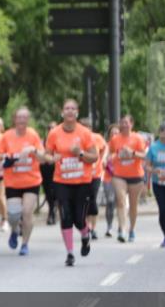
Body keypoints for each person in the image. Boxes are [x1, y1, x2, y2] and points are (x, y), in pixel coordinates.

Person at [45, 100, 98, 266]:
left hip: (82, 181)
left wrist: (80, 153)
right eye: (66, 108)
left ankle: (85, 234)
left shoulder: (85, 133)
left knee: (79, 219)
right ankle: (69, 253)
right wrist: (52, 159)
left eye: (73, 108)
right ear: (62, 112)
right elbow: (46, 155)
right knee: (66, 216)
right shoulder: (54, 133)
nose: (69, 111)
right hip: (61, 181)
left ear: (77, 113)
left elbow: (94, 157)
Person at [1, 106, 47, 256]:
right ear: (14, 119)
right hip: (12, 182)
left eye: (24, 117)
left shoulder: (33, 135)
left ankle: (25, 244)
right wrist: (14, 158)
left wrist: (33, 150)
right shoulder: (6, 136)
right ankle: (14, 230)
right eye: (19, 117)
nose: (21, 120)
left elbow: (43, 158)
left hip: (31, 181)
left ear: (28, 120)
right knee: (13, 216)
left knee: (27, 212)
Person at [109, 114, 148, 242]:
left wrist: (132, 153)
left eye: (126, 122)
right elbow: (110, 154)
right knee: (120, 200)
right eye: (122, 122)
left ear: (131, 124)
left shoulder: (137, 138)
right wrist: (117, 155)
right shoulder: (115, 139)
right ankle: (122, 229)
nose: (124, 125)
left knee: (133, 205)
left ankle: (131, 229)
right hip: (119, 175)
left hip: (136, 175)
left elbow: (144, 156)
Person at [85, 120, 109, 240]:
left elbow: (106, 148)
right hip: (82, 175)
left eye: (87, 128)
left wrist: (103, 158)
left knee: (92, 199)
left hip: (96, 174)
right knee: (84, 200)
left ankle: (93, 228)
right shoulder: (77, 139)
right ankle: (87, 227)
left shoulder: (97, 138)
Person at [102, 123, 120, 237]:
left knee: (120, 203)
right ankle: (109, 226)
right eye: (112, 133)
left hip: (121, 178)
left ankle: (121, 226)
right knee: (110, 201)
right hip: (108, 177)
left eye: (116, 133)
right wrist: (105, 160)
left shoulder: (123, 145)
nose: (114, 135)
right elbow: (103, 159)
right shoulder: (107, 146)